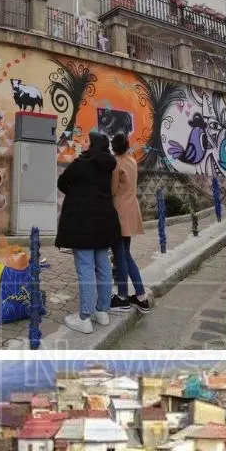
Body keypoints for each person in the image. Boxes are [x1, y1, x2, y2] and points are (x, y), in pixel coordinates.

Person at [56, 131, 121, 334]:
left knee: (85, 267)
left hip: (82, 222)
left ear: (93, 145)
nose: (82, 143)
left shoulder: (80, 163)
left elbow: (62, 183)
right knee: (102, 265)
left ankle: (84, 316)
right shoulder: (107, 166)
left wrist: (77, 194)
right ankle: (102, 311)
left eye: (86, 141)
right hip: (103, 222)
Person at [108, 133, 152, 314]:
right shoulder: (133, 161)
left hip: (119, 212)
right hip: (131, 210)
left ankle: (124, 297)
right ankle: (140, 296)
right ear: (126, 146)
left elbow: (112, 190)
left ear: (113, 146)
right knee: (125, 254)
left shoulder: (115, 164)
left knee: (121, 255)